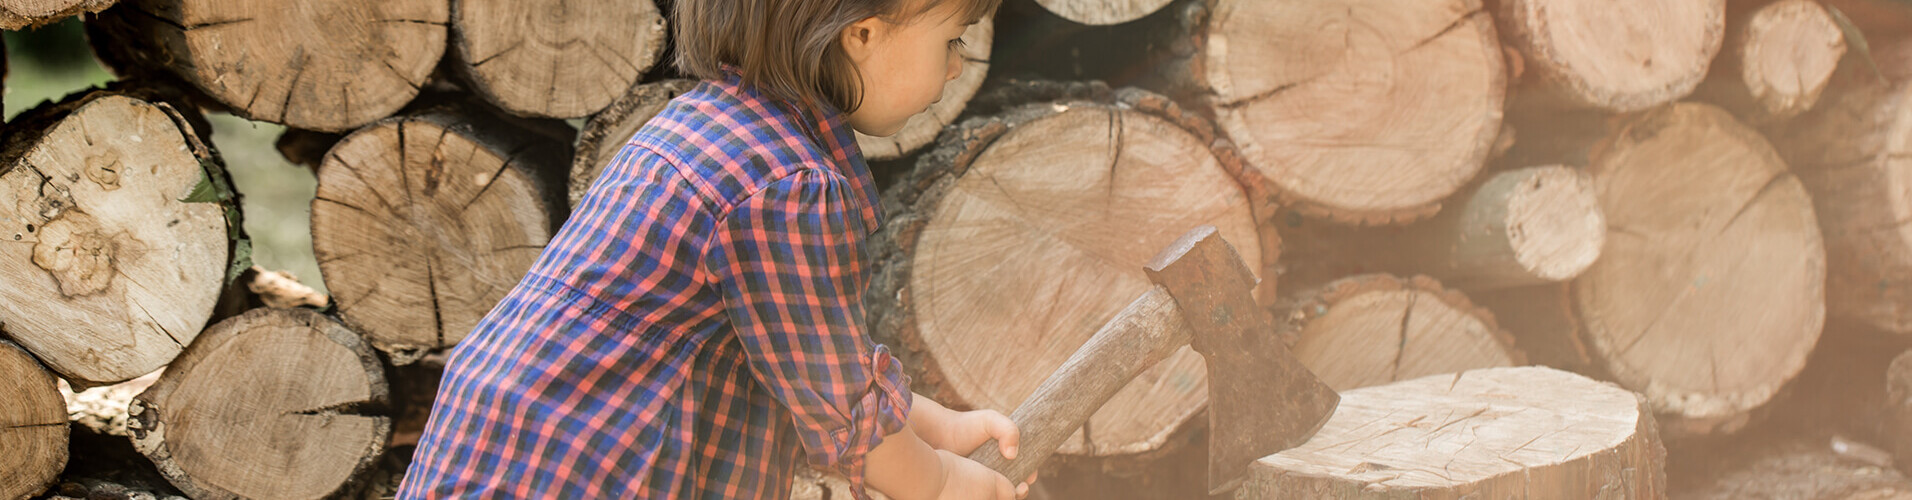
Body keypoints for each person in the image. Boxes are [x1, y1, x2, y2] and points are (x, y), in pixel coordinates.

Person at [395, 0, 1035, 498]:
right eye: (951, 39)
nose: (956, 65)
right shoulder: (787, 186)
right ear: (862, 35)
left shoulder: (705, 126)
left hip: (517, 450)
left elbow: (810, 358)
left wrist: (937, 429)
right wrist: (940, 482)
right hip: (578, 474)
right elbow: (837, 401)